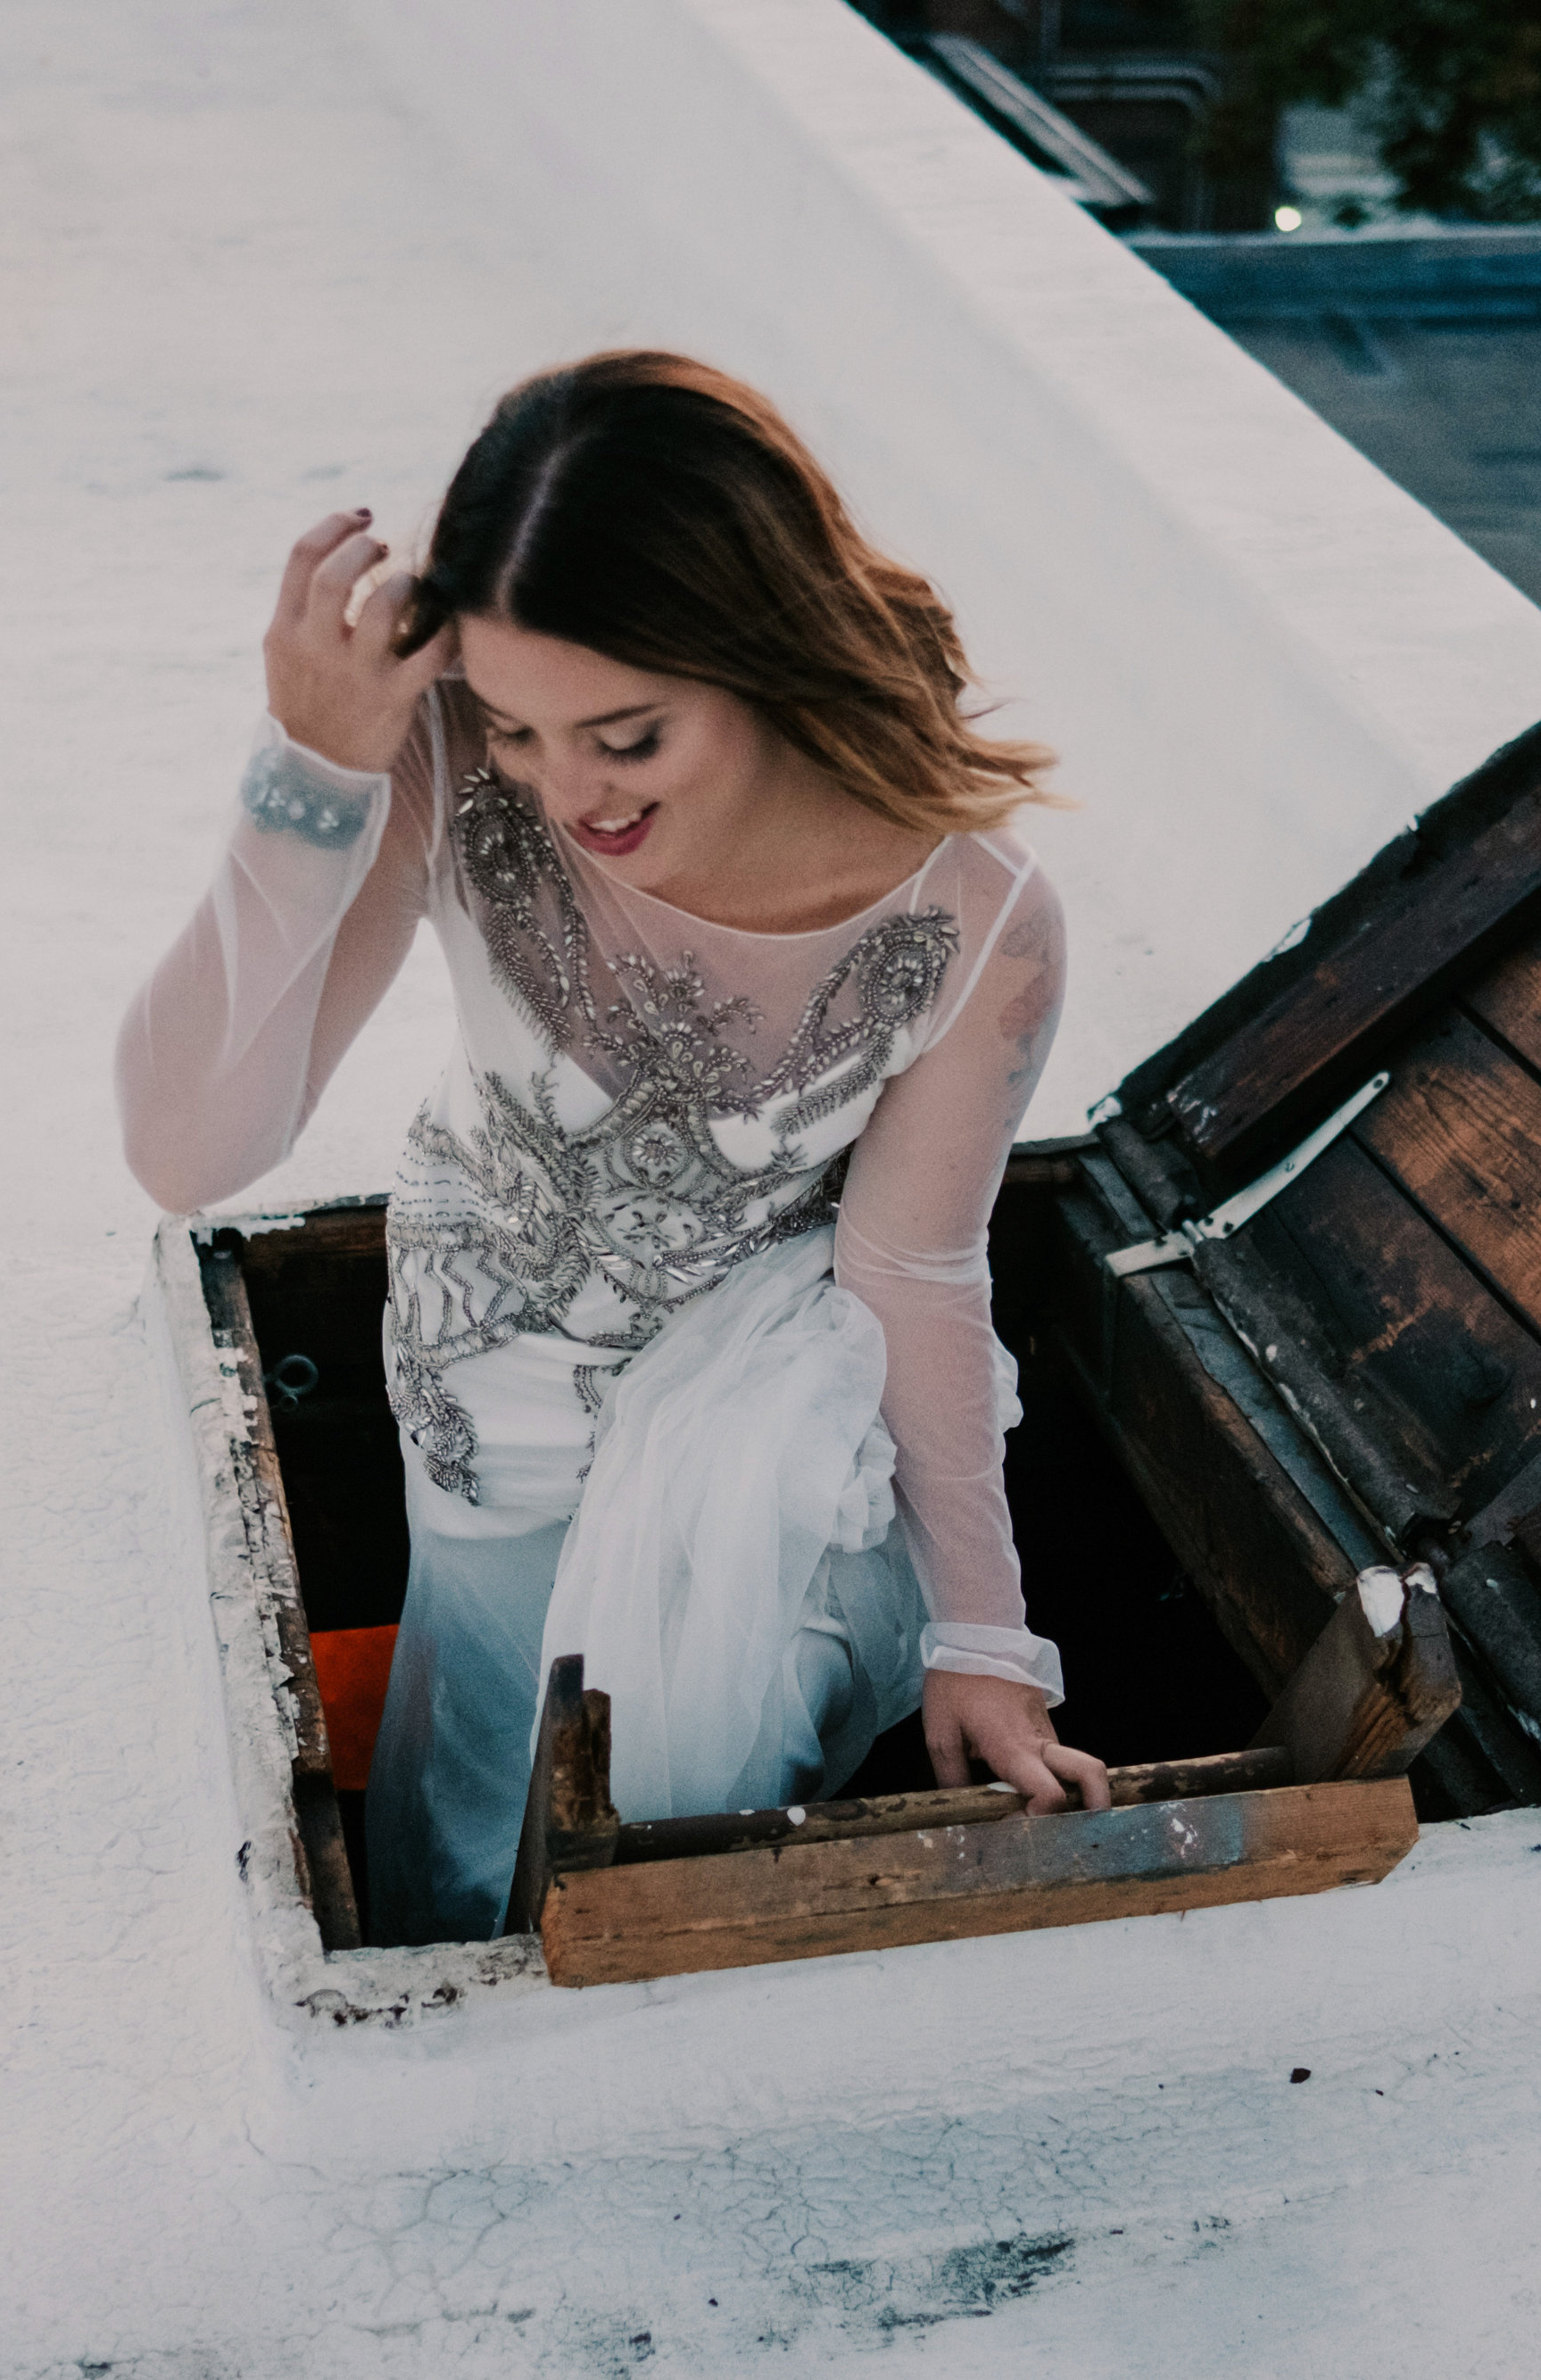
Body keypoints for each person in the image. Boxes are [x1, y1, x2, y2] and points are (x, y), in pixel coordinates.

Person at [117, 352, 1105, 1945]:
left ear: (760, 648)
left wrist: (987, 1636)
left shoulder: (976, 919)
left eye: (628, 737)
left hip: (748, 1465)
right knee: (477, 1834)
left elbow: (916, 1269)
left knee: (680, 1867)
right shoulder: (447, 759)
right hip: (483, 1421)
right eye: (519, 728)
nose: (568, 790)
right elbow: (188, 1151)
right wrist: (309, 773)